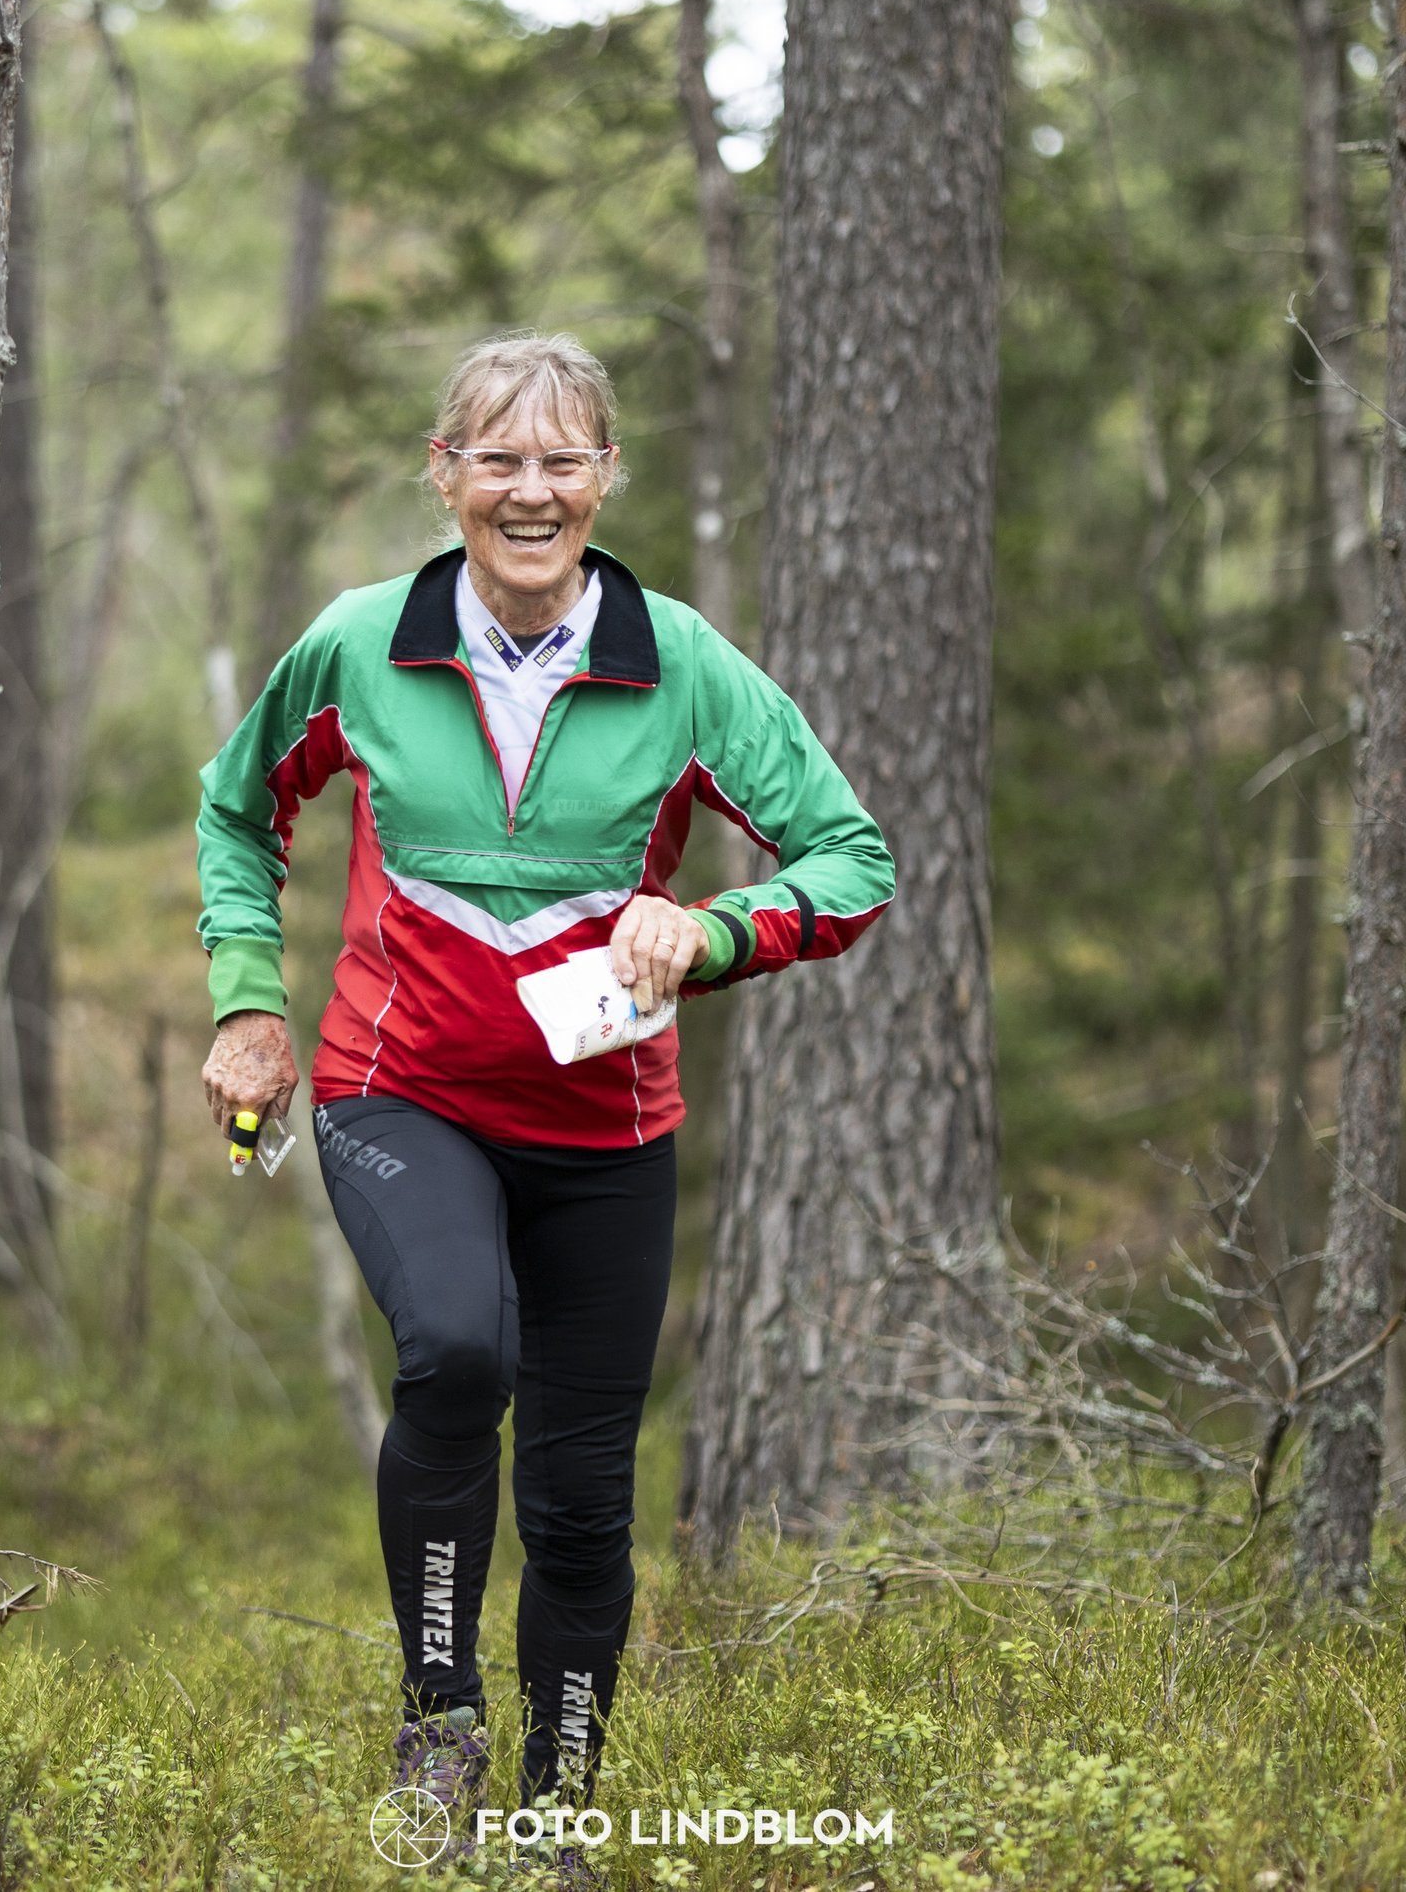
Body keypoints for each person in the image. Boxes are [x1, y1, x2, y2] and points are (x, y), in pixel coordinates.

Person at [193, 331, 893, 1873]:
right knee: (454, 1350)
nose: (530, 491)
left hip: (604, 1129)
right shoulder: (359, 644)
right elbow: (241, 806)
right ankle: (438, 1731)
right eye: (496, 460)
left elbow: (854, 864)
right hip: (401, 1085)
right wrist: (251, 1001)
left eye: (562, 460)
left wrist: (708, 932)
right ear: (443, 476)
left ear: (604, 477)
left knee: (581, 1496)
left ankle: (559, 1806)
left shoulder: (684, 663)